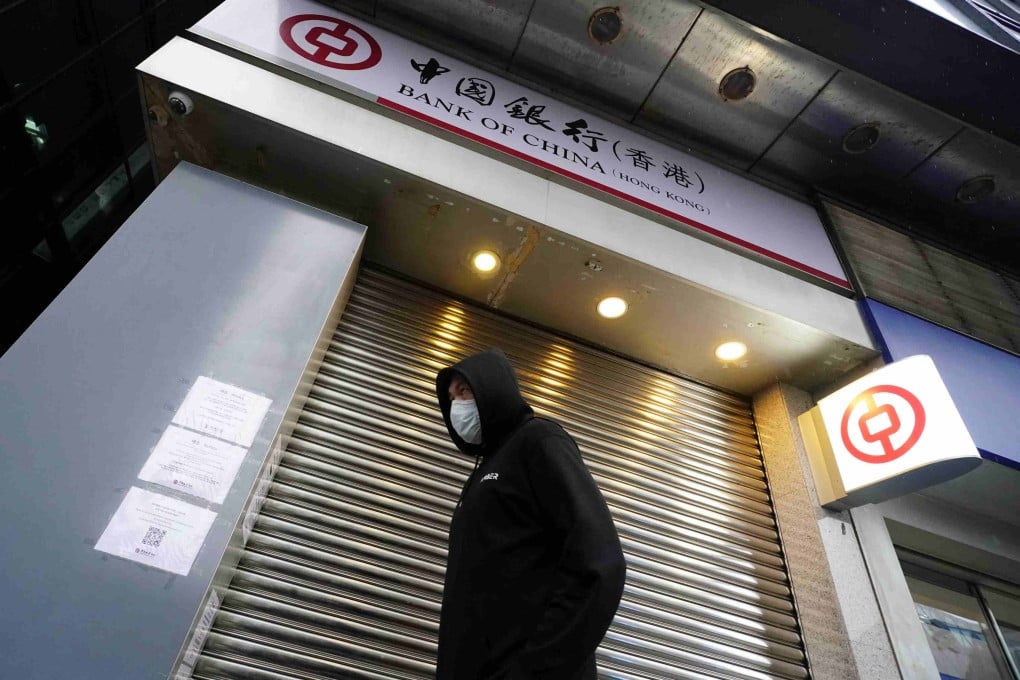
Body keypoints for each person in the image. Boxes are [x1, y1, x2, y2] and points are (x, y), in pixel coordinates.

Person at [434, 348, 626, 680]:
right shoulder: (483, 473)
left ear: (492, 387)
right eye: (450, 398)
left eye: (463, 391)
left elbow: (599, 563)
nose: (456, 406)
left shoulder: (538, 441)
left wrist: (531, 671)